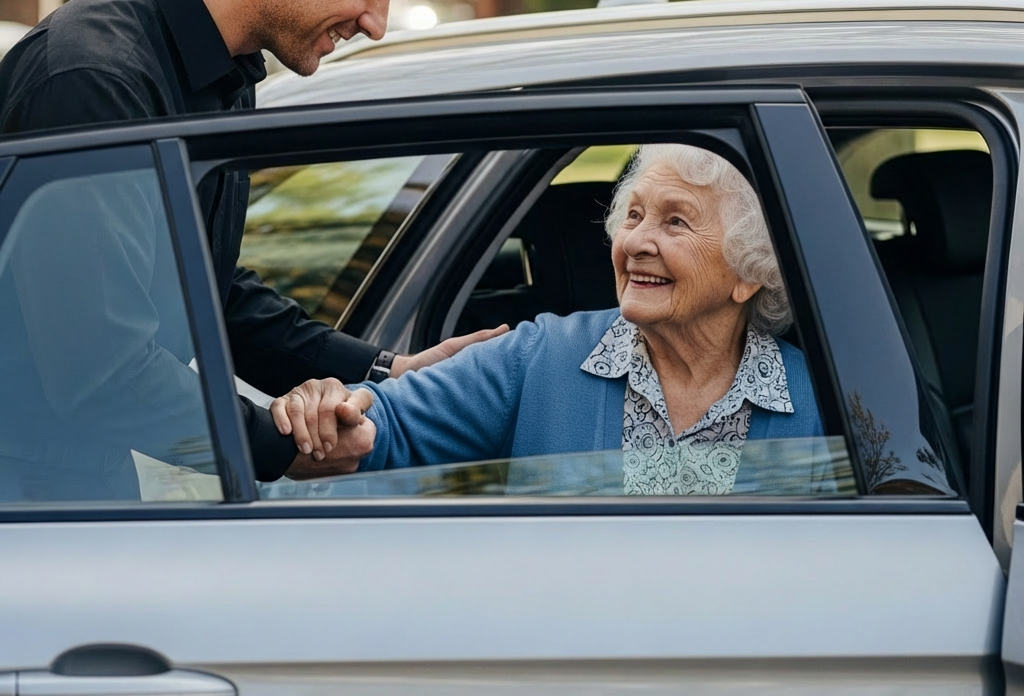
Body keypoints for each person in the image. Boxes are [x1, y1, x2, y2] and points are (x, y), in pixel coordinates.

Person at [0, 0, 504, 483]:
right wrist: (278, 446)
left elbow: (204, 286)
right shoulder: (95, 81)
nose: (377, 23)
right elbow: (101, 367)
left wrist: (387, 371)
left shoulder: (222, 67)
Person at [272, 144, 825, 494]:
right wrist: (335, 412)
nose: (634, 242)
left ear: (749, 270)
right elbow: (389, 424)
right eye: (633, 215)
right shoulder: (543, 356)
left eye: (675, 222)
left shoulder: (823, 399)